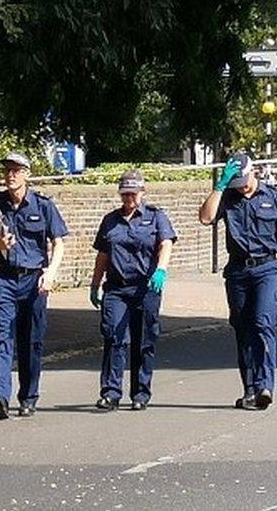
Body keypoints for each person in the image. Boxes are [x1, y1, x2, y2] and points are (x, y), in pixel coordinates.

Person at [198, 152, 277, 411]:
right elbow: (206, 218)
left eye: (243, 179)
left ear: (253, 172)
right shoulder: (228, 197)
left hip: (266, 268)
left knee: (263, 324)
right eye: (235, 182)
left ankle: (265, 386)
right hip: (237, 271)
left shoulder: (275, 198)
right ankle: (250, 389)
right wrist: (220, 186)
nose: (241, 185)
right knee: (243, 330)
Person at [0, 152, 68, 419]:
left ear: (26, 174)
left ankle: (28, 396)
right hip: (5, 277)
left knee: (31, 341)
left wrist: (51, 272)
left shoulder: (42, 205)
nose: (10, 175)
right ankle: (0, 395)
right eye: (7, 170)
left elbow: (59, 242)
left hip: (34, 280)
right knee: (2, 337)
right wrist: (0, 245)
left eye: (16, 171)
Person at [89, 170, 176, 411]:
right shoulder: (110, 220)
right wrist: (95, 284)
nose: (129, 198)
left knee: (143, 340)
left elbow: (166, 243)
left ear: (142, 193)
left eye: (133, 193)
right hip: (116, 289)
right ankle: (110, 392)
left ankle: (140, 393)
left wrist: (161, 269)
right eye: (125, 194)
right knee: (114, 338)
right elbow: (103, 254)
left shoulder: (156, 217)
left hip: (146, 288)